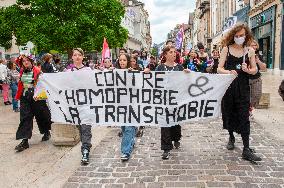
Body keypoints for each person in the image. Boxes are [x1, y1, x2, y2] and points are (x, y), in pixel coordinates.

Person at [217, 23, 262, 162]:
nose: (239, 38)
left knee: (244, 117)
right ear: (232, 36)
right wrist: (228, 71)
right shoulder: (226, 49)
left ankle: (246, 149)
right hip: (229, 88)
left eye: (241, 35)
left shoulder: (249, 51)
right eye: (236, 36)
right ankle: (231, 136)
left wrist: (249, 70)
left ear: (246, 35)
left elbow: (255, 69)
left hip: (243, 88)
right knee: (229, 113)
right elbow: (219, 68)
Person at [146, 45, 190, 160]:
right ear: (165, 54)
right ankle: (166, 148)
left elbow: (185, 82)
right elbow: (154, 81)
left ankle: (176, 138)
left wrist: (188, 74)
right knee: (165, 123)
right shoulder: (160, 67)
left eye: (174, 52)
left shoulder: (180, 67)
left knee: (175, 122)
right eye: (171, 52)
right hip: (164, 100)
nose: (173, 54)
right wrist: (147, 74)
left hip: (176, 100)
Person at [14, 54, 52, 152]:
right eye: (23, 61)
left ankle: (46, 132)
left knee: (41, 115)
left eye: (27, 60)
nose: (25, 62)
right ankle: (24, 140)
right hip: (25, 96)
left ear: (31, 61)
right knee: (25, 117)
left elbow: (43, 84)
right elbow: (21, 84)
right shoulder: (22, 71)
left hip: (37, 96)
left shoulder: (38, 71)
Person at [65, 48, 92, 165]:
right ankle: (85, 143)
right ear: (72, 57)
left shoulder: (88, 70)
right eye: (74, 55)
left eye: (79, 55)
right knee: (80, 127)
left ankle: (85, 150)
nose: (77, 57)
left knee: (85, 126)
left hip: (86, 103)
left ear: (83, 56)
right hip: (73, 104)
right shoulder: (67, 72)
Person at [116, 53, 136, 161]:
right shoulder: (115, 73)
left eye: (124, 60)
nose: (122, 62)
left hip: (132, 104)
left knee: (129, 127)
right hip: (120, 104)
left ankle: (125, 151)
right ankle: (131, 141)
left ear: (128, 61)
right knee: (124, 127)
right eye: (120, 60)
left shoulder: (133, 72)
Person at [249, 40, 267, 115]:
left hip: (256, 79)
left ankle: (250, 109)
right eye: (252, 45)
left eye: (255, 45)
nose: (254, 47)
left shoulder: (259, 55)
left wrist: (258, 60)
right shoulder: (245, 54)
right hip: (247, 79)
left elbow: (264, 68)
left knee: (257, 96)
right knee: (246, 97)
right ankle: (248, 112)